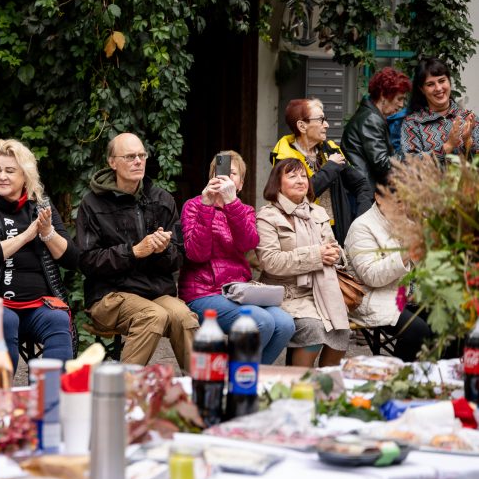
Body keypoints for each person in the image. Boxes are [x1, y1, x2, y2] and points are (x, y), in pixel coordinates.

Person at [76, 132, 199, 370]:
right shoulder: (93, 203)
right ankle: (122, 391)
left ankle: (200, 387)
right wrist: (133, 252)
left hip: (155, 292)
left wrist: (163, 250)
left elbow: (178, 256)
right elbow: (86, 259)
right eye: (130, 156)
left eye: (141, 155)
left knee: (183, 317)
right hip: (109, 295)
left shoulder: (161, 198)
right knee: (152, 315)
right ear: (112, 162)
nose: (138, 161)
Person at [0, 139, 78, 369]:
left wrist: (48, 233)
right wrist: (23, 237)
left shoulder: (41, 207)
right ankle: (1, 400)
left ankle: (48, 397)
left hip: (38, 305)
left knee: (59, 320)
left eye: (10, 171)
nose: (2, 176)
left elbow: (72, 260)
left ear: (26, 177)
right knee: (4, 320)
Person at [179, 151, 294, 364]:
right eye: (220, 172)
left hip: (238, 291)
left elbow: (248, 244)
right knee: (262, 323)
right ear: (210, 178)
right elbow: (196, 254)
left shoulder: (245, 210)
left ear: (240, 184)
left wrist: (232, 204)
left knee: (285, 324)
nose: (225, 177)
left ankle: (247, 376)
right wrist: (207, 206)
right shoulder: (194, 206)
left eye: (233, 174)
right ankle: (236, 379)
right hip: (203, 293)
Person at [256, 159, 350, 367]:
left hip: (323, 290)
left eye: (303, 176)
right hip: (286, 293)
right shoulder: (267, 216)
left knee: (341, 330)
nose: (300, 181)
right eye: (292, 176)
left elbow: (334, 247)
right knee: (313, 328)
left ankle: (326, 389)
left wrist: (336, 255)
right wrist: (316, 255)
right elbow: (270, 262)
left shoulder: (317, 213)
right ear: (277, 184)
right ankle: (299, 385)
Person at [343, 191, 431, 362]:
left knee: (450, 322)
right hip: (373, 297)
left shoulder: (407, 222)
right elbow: (372, 277)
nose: (403, 206)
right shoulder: (361, 227)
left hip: (406, 294)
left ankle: (438, 378)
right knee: (418, 332)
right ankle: (396, 379)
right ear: (379, 196)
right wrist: (406, 252)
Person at [271, 98, 373, 245]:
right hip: (302, 234)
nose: (326, 125)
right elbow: (300, 195)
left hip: (337, 230)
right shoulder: (285, 156)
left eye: (325, 119)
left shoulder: (330, 150)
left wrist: (361, 217)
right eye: (320, 120)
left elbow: (361, 184)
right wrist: (331, 167)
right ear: (302, 126)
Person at [341, 67, 412, 189]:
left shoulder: (370, 115)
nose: (401, 105)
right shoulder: (371, 119)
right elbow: (382, 164)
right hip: (364, 194)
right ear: (383, 95)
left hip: (361, 190)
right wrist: (412, 157)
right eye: (399, 99)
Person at [401, 57, 479, 162]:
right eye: (430, 84)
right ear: (422, 89)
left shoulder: (469, 118)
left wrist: (467, 141)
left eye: (442, 81)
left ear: (449, 81)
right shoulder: (412, 123)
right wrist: (447, 146)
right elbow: (408, 163)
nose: (438, 88)